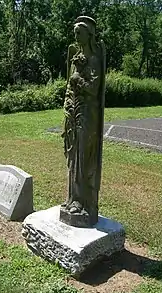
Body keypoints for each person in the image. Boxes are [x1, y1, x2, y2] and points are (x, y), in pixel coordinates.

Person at [60, 16, 106, 227]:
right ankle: (72, 198)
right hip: (72, 111)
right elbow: (69, 87)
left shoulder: (94, 59)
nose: (76, 36)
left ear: (89, 34)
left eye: (80, 32)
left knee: (82, 157)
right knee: (72, 154)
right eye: (75, 32)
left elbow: (93, 88)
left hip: (87, 114)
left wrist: (78, 77)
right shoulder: (75, 56)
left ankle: (83, 201)